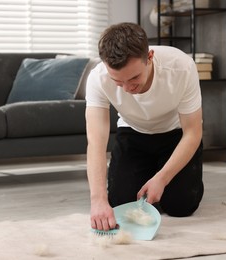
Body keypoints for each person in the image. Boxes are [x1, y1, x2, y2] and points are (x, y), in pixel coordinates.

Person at [85, 22, 204, 231]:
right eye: (118, 81)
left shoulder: (182, 67)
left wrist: (163, 178)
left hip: (175, 136)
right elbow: (96, 142)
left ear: (149, 57)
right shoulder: (97, 78)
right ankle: (149, 173)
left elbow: (193, 132)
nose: (128, 88)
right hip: (133, 133)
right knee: (121, 202)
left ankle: (161, 174)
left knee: (181, 205)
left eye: (134, 78)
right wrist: (97, 200)